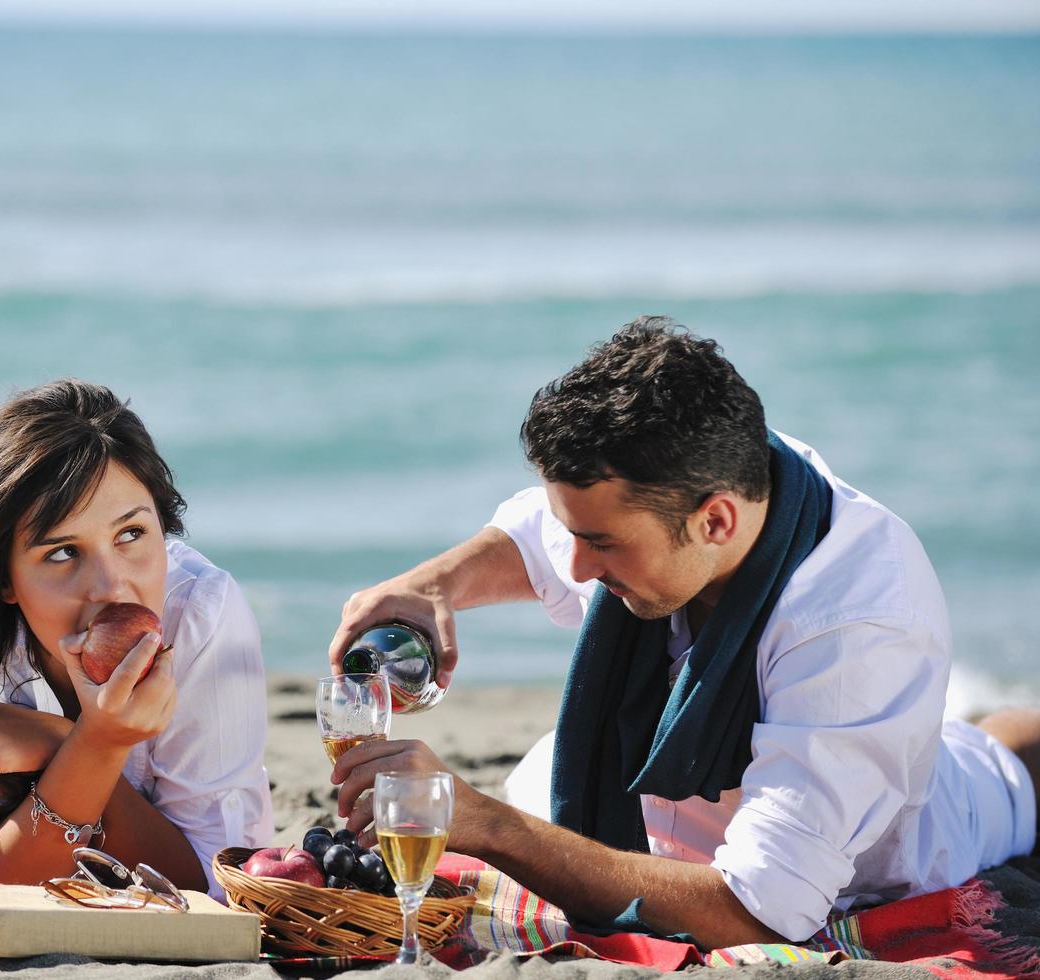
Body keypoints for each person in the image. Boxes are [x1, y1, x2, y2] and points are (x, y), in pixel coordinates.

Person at [328, 318, 1040, 948]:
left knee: (1009, 757)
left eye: (600, 544)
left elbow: (759, 914)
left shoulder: (857, 625)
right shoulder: (693, 478)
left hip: (893, 842)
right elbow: (534, 531)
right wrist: (434, 585)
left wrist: (484, 824)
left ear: (717, 522)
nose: (574, 565)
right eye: (572, 533)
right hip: (667, 806)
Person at [0, 380, 272, 901]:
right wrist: (95, 743)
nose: (112, 585)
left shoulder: (200, 613)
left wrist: (67, 744)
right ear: (3, 577)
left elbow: (212, 883)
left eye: (131, 533)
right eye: (62, 552)